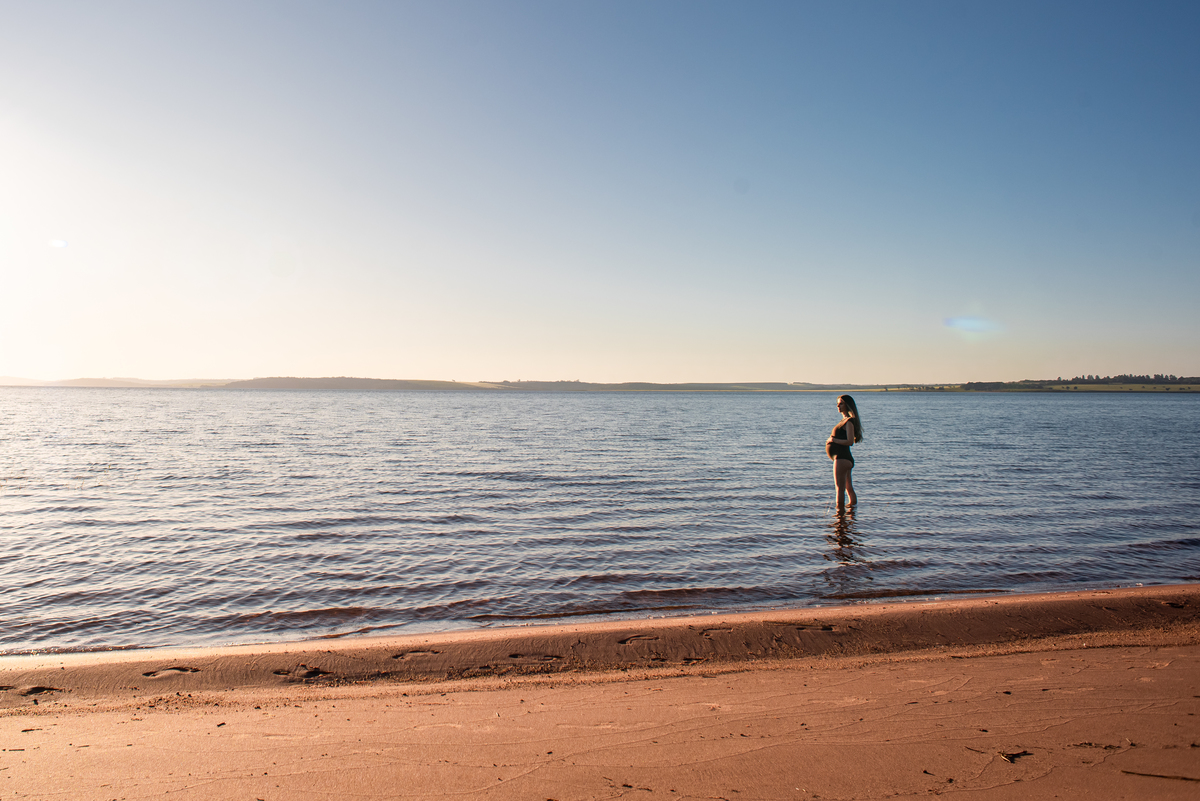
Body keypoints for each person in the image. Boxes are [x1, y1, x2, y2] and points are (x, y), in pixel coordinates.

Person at [825, 394, 862, 508]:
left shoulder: (849, 422)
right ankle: (852, 513)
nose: (838, 406)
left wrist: (833, 440)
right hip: (842, 458)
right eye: (838, 403)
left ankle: (840, 514)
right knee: (847, 487)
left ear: (847, 405)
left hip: (842, 458)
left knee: (839, 488)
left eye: (841, 403)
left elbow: (850, 441)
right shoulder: (844, 420)